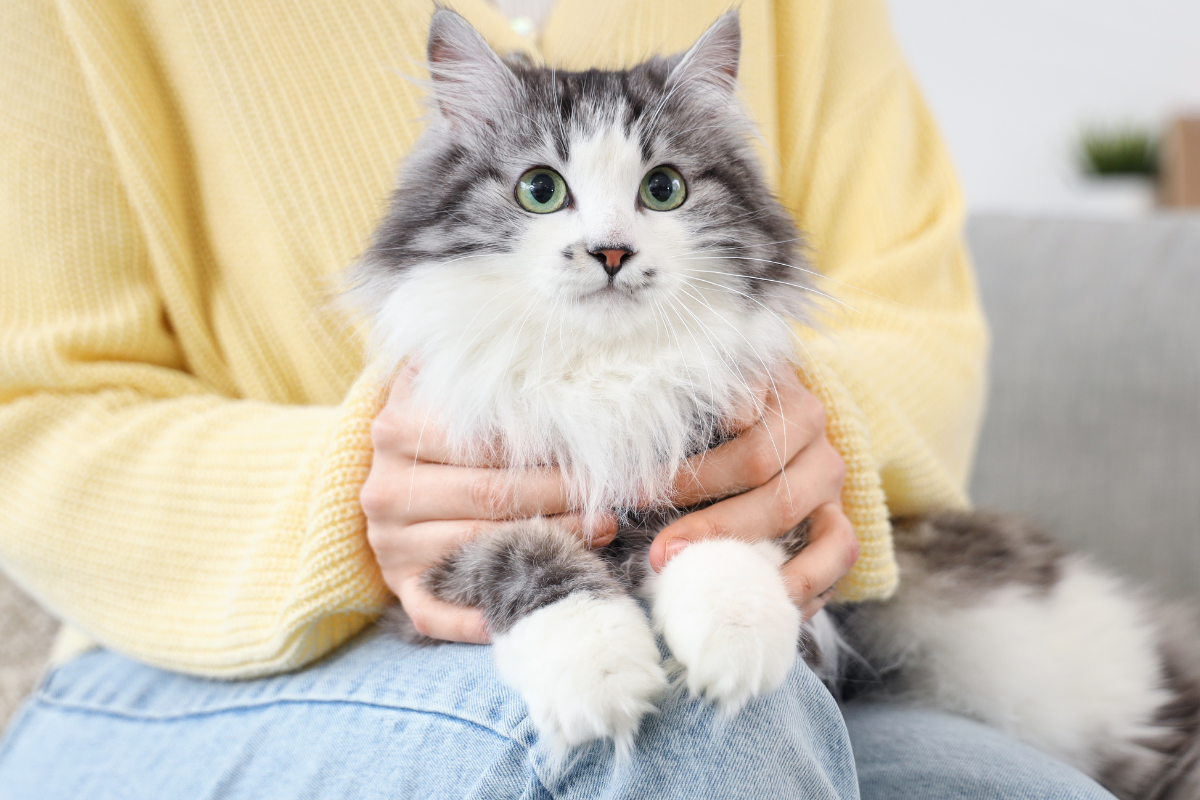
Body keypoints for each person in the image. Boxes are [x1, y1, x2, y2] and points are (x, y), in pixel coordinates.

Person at [0, 0, 1114, 796]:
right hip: (189, 671)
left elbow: (916, 317)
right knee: (678, 734)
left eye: (659, 190)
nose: (613, 243)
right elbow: (32, 413)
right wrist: (342, 496)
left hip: (781, 632)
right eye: (544, 190)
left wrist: (786, 451)